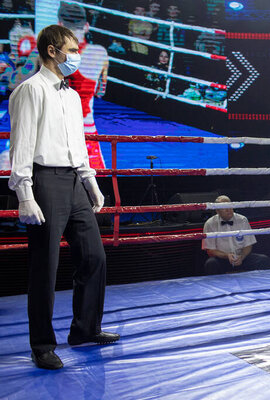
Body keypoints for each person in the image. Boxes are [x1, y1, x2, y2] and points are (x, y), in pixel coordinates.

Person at [8, 25, 119, 370]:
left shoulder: (71, 95)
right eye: (72, 49)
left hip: (73, 182)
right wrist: (24, 194)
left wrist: (91, 182)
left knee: (94, 257)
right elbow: (21, 146)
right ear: (53, 50)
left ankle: (85, 329)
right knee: (45, 266)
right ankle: (42, 345)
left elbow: (78, 146)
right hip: (44, 181)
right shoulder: (30, 90)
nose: (77, 56)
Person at [58, 2, 109, 170]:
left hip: (59, 129)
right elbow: (101, 91)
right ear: (86, 26)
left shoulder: (52, 54)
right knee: (97, 182)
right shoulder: (100, 52)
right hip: (87, 128)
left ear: (60, 25)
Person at [202, 195, 270, 274]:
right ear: (217, 211)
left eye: (230, 206)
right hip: (223, 259)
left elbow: (248, 245)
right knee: (211, 264)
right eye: (224, 208)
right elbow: (210, 251)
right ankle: (215, 286)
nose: (229, 210)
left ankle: (264, 285)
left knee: (263, 260)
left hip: (241, 257)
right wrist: (226, 256)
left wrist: (242, 257)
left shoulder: (242, 220)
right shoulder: (210, 223)